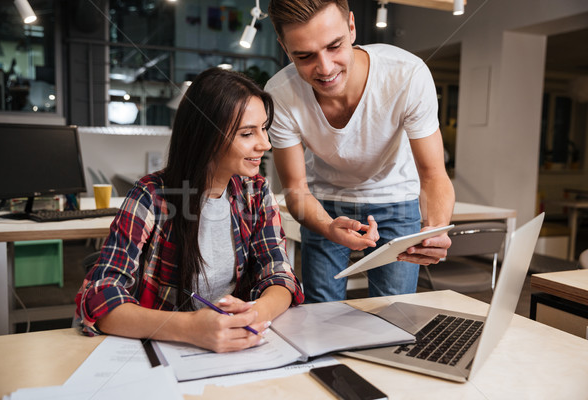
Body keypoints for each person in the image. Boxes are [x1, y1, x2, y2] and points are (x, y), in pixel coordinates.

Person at [75, 68, 304, 353]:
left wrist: (257, 312)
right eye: (247, 133)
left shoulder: (255, 193)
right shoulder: (151, 195)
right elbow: (98, 296)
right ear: (206, 135)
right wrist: (191, 328)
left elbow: (279, 274)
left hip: (238, 349)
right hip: (165, 350)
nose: (265, 144)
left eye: (264, 128)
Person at [265, 0, 455, 302]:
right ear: (284, 48)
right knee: (321, 314)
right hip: (323, 203)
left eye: (334, 46)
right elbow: (296, 189)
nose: (325, 68)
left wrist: (434, 229)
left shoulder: (407, 75)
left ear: (352, 27)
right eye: (304, 56)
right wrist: (328, 226)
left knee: (395, 312)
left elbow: (433, 175)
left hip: (396, 198)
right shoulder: (279, 94)